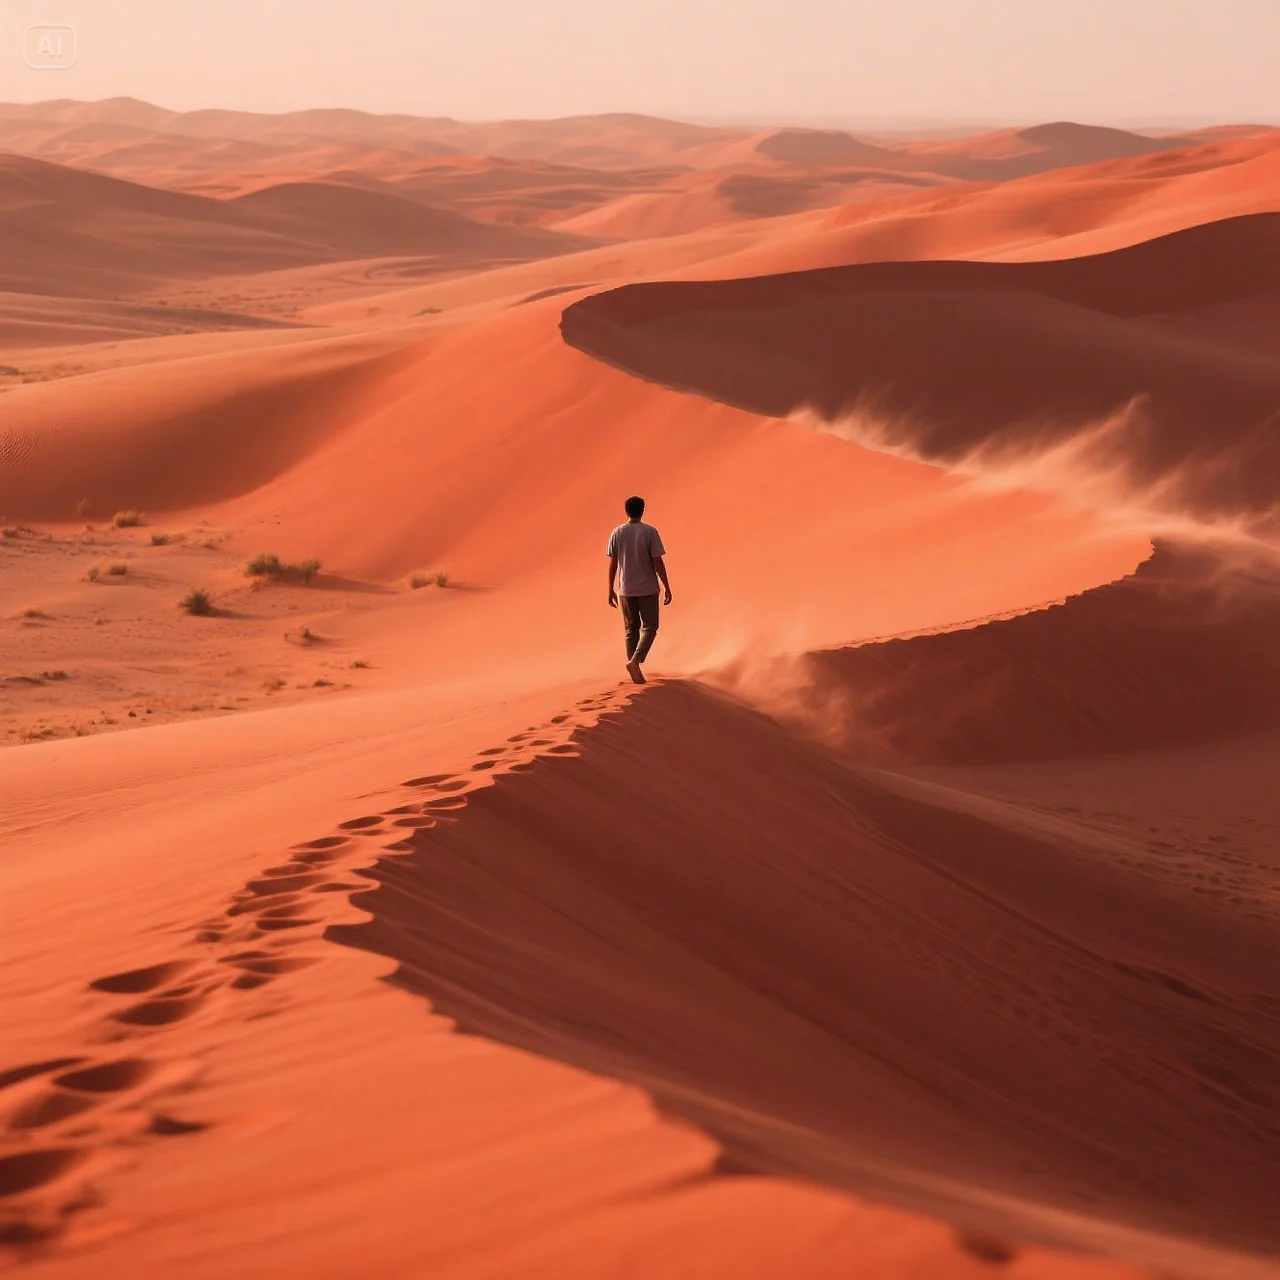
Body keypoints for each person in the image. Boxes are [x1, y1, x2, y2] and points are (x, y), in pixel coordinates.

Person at [606, 495, 671, 684]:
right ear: (642, 510)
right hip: (648, 589)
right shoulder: (650, 532)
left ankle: (633, 667)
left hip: (625, 589)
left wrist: (610, 589)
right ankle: (635, 662)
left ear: (626, 511)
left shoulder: (617, 532)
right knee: (650, 627)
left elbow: (613, 563)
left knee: (630, 629)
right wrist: (666, 586)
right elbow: (657, 561)